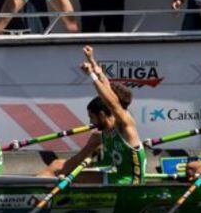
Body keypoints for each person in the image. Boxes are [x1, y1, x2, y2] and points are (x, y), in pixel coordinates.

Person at [41, 46, 146, 185]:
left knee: (72, 175)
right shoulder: (100, 135)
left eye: (92, 117)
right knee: (57, 165)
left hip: (129, 184)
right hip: (115, 176)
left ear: (102, 115)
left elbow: (112, 101)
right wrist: (91, 60)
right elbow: (107, 87)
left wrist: (92, 75)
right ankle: (31, 191)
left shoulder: (125, 125)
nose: (90, 121)